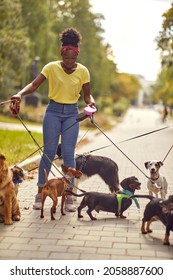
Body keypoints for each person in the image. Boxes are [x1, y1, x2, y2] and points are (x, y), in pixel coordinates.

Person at [11, 27, 96, 211]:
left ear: (77, 55)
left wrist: (92, 104)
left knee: (68, 155)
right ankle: (40, 192)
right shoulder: (51, 67)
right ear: (62, 52)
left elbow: (87, 96)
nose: (70, 62)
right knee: (48, 152)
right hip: (53, 112)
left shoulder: (83, 71)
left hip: (72, 114)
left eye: (73, 58)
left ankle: (69, 195)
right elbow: (34, 85)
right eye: (67, 58)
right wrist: (19, 94)